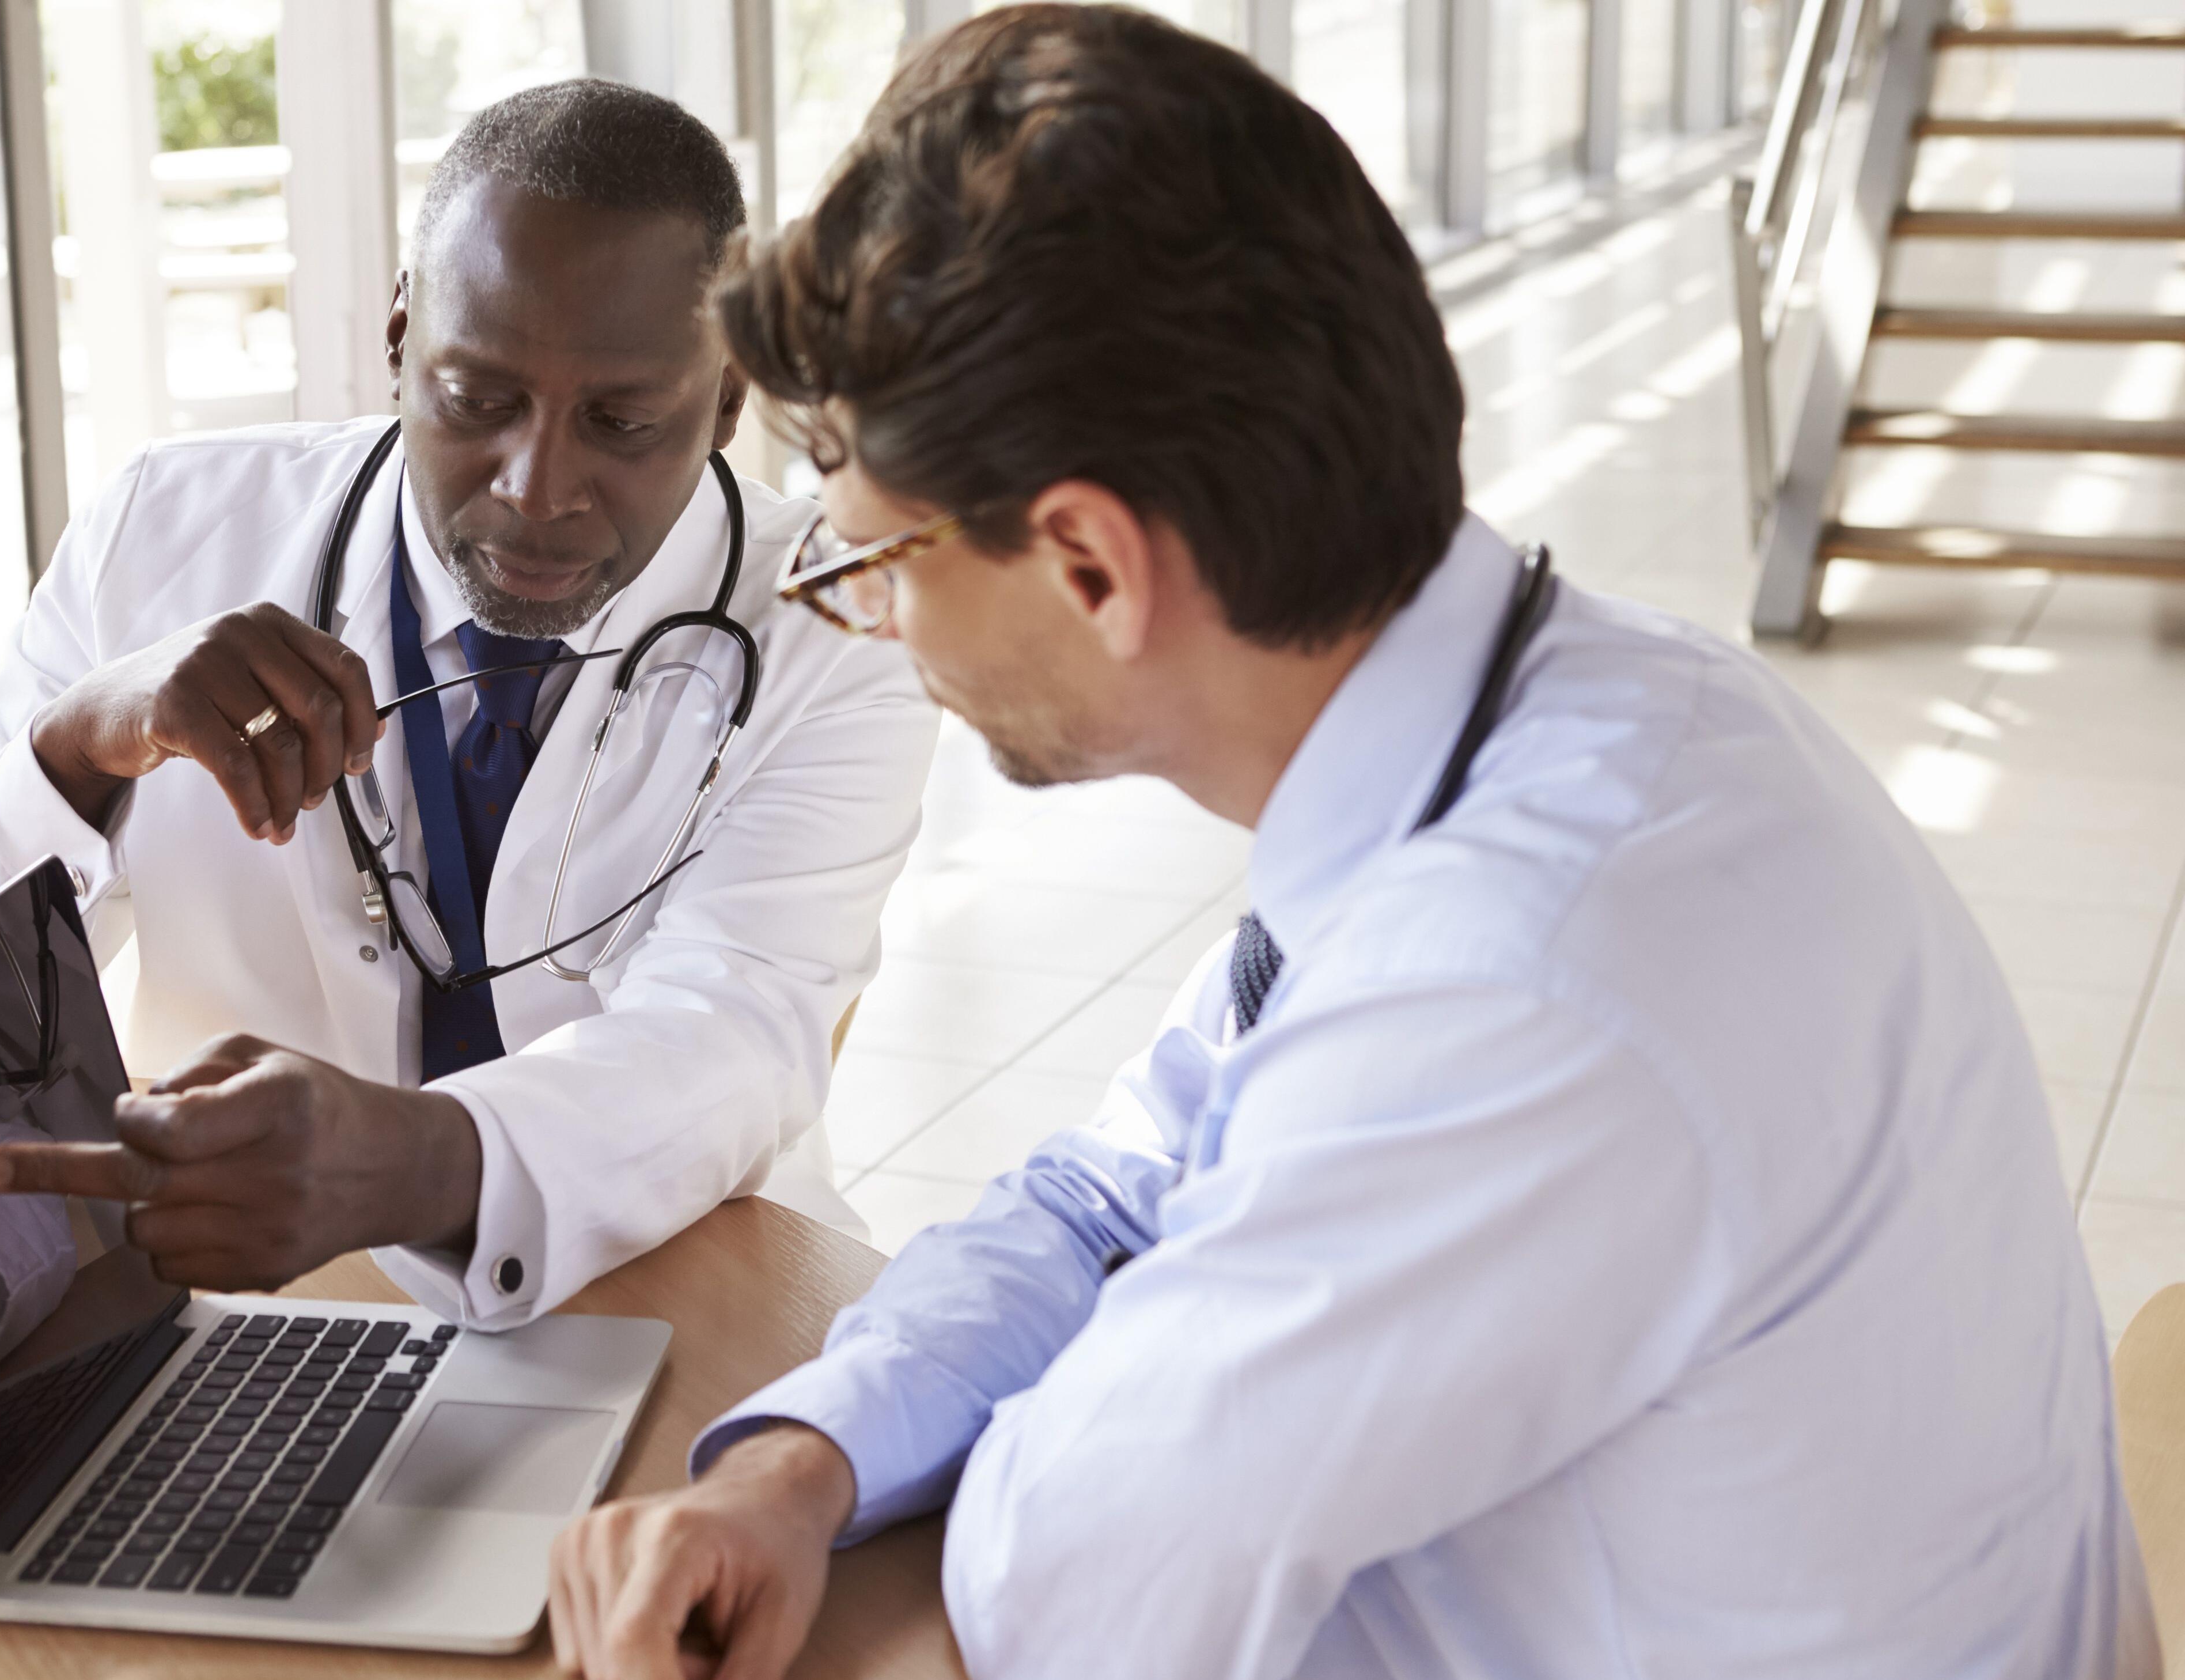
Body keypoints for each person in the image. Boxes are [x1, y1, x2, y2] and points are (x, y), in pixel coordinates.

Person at [546, 10, 2156, 1678]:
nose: (869, 620)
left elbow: (1070, 1592)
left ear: (1090, 564)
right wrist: (804, 1468)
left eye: (871, 561)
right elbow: (1115, 1196)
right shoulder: (1568, 716)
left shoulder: (1519, 977)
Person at [0, 79, 936, 1337]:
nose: (538, 487)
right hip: (245, 1306)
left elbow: (733, 1033)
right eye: (478, 400)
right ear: (402, 335)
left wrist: (405, 1159)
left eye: (623, 422)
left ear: (729, 398)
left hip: (666, 1282)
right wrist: (79, 748)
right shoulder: (165, 530)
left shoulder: (834, 633)